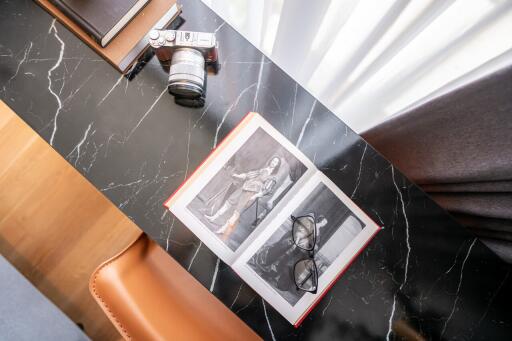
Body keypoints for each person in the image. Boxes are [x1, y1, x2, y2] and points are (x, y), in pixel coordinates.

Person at [205, 156, 282, 240]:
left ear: (277, 165)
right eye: (273, 161)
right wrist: (238, 175)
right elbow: (249, 175)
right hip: (245, 187)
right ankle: (213, 217)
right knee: (229, 202)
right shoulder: (263, 170)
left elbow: (265, 190)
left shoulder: (272, 177)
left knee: (237, 211)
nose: (273, 163)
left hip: (250, 193)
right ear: (271, 161)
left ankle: (223, 229)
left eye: (275, 162)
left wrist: (255, 196)